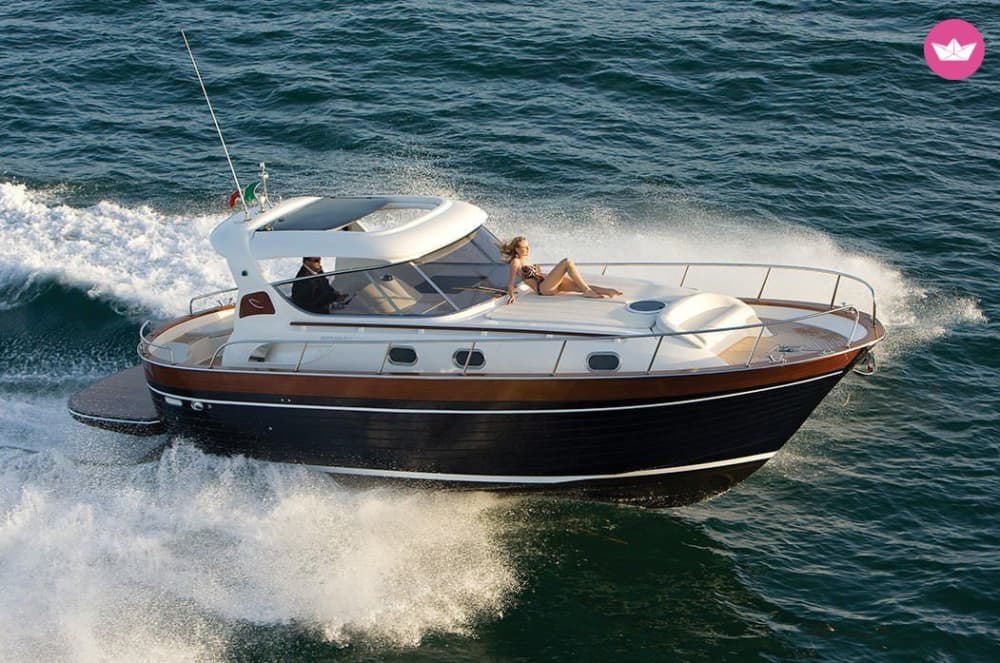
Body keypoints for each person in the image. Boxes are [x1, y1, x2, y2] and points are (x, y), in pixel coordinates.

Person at [499, 236, 623, 305]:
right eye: (524, 247)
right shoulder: (516, 262)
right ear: (516, 249)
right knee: (566, 262)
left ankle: (608, 291)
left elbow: (535, 274)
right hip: (543, 288)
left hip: (548, 283)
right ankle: (588, 292)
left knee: (579, 285)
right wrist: (512, 296)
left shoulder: (527, 259)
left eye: (528, 247)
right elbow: (510, 283)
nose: (527, 250)